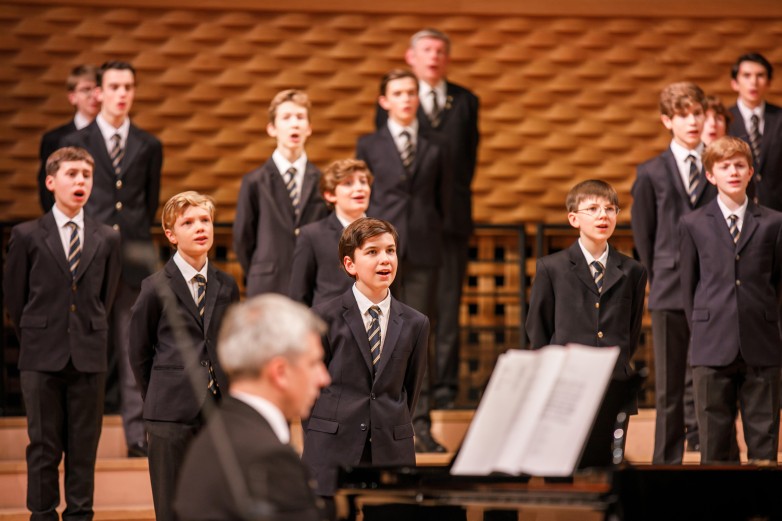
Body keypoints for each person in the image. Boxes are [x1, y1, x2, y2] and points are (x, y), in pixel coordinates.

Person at [4, 146, 121, 521]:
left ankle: (80, 514)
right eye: (72, 174)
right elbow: (15, 298)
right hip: (41, 354)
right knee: (43, 445)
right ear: (51, 181)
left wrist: (84, 332)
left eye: (86, 175)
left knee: (84, 446)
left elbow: (108, 295)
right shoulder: (26, 235)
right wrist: (41, 337)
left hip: (89, 353)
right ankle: (41, 514)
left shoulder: (107, 237)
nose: (80, 181)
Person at [61, 60, 163, 458]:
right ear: (98, 91)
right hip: (86, 257)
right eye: (115, 86)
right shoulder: (74, 140)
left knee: (133, 345)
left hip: (134, 259)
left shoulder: (148, 144)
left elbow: (148, 202)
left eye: (129, 87)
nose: (122, 94)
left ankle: (137, 435)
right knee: (82, 345)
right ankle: (76, 435)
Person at [375, 28, 480, 412]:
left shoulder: (465, 101)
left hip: (448, 221)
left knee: (445, 310)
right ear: (411, 56)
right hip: (401, 227)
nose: (434, 56)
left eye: (440, 50)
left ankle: (446, 391)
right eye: (426, 50)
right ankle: (398, 392)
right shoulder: (394, 99)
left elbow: (466, 163)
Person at [301, 217, 428, 509]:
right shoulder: (322, 317)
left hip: (391, 448)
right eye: (372, 252)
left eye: (390, 250)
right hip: (332, 446)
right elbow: (308, 392)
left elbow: (411, 388)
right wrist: (322, 432)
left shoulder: (416, 323)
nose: (385, 259)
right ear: (350, 265)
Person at [129, 191, 240, 521]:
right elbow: (138, 352)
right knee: (171, 505)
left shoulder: (227, 284)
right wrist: (158, 398)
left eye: (204, 220)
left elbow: (231, 344)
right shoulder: (154, 286)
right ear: (171, 234)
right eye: (188, 223)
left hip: (217, 409)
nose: (199, 228)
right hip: (170, 413)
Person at [357, 69, 450, 453]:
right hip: (383, 250)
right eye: (398, 93)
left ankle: (421, 422)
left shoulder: (435, 146)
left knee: (416, 336)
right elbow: (363, 199)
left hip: (424, 250)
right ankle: (377, 421)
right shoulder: (369, 144)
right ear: (385, 101)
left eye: (412, 92)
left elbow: (442, 202)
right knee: (379, 336)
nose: (407, 99)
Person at [174, 294, 330, 521]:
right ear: (280, 372)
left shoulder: (214, 435)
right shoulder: (271, 459)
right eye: (314, 363)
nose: (324, 378)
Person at [679, 135, 782, 464]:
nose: (733, 172)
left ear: (751, 172)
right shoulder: (693, 224)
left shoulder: (774, 222)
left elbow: (778, 282)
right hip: (711, 344)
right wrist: (702, 328)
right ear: (711, 175)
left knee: (764, 440)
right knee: (715, 444)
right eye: (725, 166)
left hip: (761, 342)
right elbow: (688, 287)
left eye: (740, 165)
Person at [526, 180, 647, 452]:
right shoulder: (551, 268)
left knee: (606, 464)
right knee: (561, 459)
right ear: (573, 219)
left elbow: (632, 330)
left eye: (609, 209)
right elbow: (538, 329)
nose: (602, 215)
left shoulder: (633, 271)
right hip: (565, 382)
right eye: (592, 208)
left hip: (614, 382)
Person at [631, 81, 716, 463]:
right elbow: (644, 235)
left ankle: (716, 457)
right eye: (683, 115)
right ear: (667, 120)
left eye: (697, 113)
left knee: (710, 378)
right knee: (668, 386)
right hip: (668, 287)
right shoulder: (650, 171)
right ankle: (666, 464)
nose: (692, 121)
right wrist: (661, 270)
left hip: (714, 289)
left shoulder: (719, 165)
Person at [233, 89, 330, 297]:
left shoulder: (322, 181)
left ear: (309, 128)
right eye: (286, 117)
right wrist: (259, 272)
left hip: (312, 288)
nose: (294, 123)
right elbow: (243, 239)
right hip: (267, 285)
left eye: (300, 117)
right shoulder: (254, 181)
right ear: (272, 128)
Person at [289, 158, 373, 307]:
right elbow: (299, 295)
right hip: (330, 325)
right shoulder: (311, 235)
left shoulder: (384, 232)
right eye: (348, 183)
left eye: (363, 181)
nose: (360, 188)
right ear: (330, 195)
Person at [38, 65, 100, 213]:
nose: (93, 96)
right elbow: (46, 190)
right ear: (72, 97)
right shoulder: (55, 138)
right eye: (86, 89)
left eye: (97, 89)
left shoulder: (112, 136)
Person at [727, 53, 782, 211]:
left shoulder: (779, 117)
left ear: (769, 82)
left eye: (760, 75)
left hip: (777, 211)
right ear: (734, 83)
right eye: (746, 75)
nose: (753, 82)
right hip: (736, 210)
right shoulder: (723, 120)